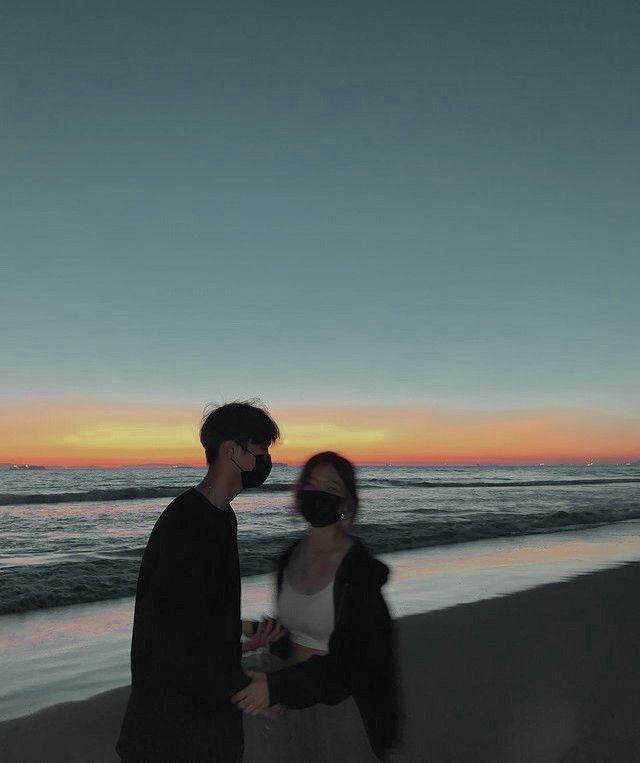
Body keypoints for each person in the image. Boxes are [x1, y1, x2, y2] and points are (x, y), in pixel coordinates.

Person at [116, 401, 280, 762]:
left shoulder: (221, 517)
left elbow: (194, 614)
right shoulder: (187, 523)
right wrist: (245, 687)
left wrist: (244, 640)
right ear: (231, 451)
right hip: (173, 731)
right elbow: (171, 636)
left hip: (198, 718)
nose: (265, 463)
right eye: (260, 451)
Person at [235, 451, 399, 762]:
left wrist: (276, 688)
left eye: (332, 488)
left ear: (346, 506)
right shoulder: (288, 559)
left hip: (342, 707)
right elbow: (294, 636)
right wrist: (242, 627)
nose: (319, 494)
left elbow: (355, 665)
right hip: (295, 700)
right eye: (312, 484)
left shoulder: (358, 574)